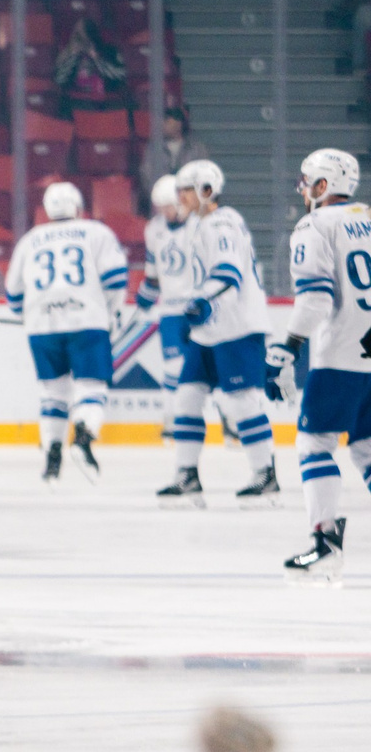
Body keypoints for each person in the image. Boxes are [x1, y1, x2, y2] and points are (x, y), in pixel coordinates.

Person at [275, 148, 371, 578]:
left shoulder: (314, 224)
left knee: (315, 442)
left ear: (322, 186)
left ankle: (325, 539)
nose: (302, 188)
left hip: (341, 356)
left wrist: (287, 347)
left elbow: (315, 299)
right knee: (368, 450)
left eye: (307, 180)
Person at [159, 159, 278, 505]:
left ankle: (265, 474)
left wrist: (201, 302)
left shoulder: (221, 223)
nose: (180, 196)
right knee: (187, 397)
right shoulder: (204, 224)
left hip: (237, 327)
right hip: (212, 331)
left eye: (185, 189)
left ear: (205, 190)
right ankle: (187, 475)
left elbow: (228, 273)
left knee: (242, 402)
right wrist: (197, 306)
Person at [5, 180, 130, 481]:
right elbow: (114, 279)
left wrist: (31, 315)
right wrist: (109, 312)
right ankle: (84, 436)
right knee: (91, 386)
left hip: (42, 326)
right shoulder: (96, 232)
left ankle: (52, 455)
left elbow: (13, 294)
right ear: (78, 206)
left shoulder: (29, 240)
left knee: (52, 392)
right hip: (86, 321)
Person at [132, 174, 201, 392]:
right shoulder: (153, 229)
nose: (165, 212)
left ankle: (224, 416)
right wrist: (144, 298)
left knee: (206, 367)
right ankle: (172, 421)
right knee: (172, 368)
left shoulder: (201, 225)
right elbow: (153, 275)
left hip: (198, 308)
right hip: (170, 310)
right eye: (160, 208)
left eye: (168, 206)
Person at [52, 17, 129, 118]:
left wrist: (97, 59)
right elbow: (59, 80)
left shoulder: (110, 51)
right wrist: (73, 57)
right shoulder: (69, 55)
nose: (80, 40)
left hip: (108, 103)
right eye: (76, 35)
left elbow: (120, 75)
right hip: (79, 103)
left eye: (81, 35)